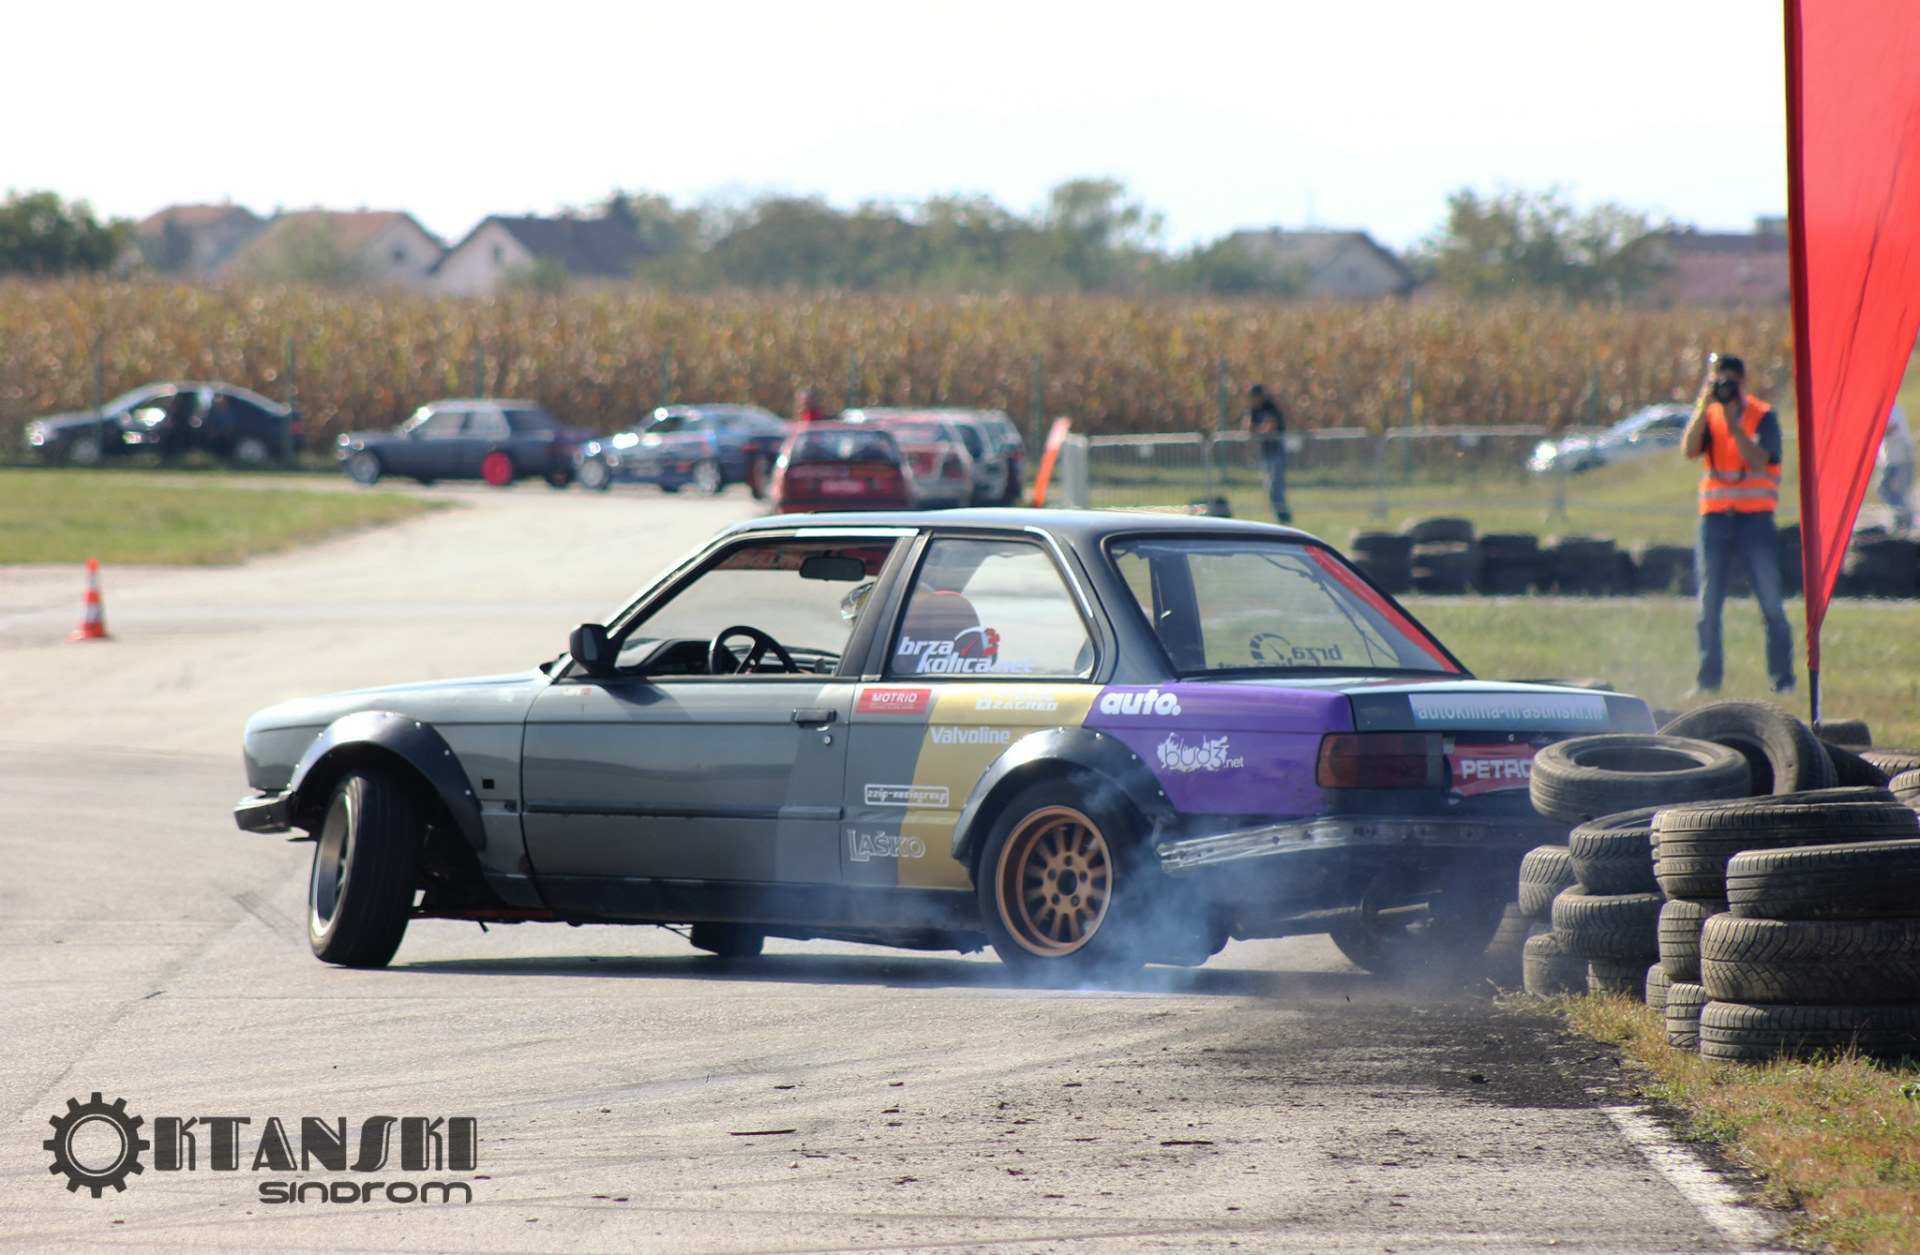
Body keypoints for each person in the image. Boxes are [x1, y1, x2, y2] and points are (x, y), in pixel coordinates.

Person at [1681, 354, 1793, 696]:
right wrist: (1703, 406)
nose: (1724, 389)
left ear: (1743, 383)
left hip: (1755, 519)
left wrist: (1733, 425)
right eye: (1718, 382)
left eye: (1729, 382)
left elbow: (1760, 460)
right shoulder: (1708, 414)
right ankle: (1707, 680)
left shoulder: (1763, 416)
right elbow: (1689, 450)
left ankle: (1782, 680)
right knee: (1708, 605)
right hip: (1715, 518)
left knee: (1770, 602)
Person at [1243, 384, 1291, 524]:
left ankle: (1283, 516)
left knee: (1276, 486)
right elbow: (1248, 428)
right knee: (1269, 487)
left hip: (1277, 451)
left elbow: (1271, 427)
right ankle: (1280, 515)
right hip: (1265, 453)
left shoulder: (1271, 407)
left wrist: (1259, 431)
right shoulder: (1254, 410)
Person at [1877, 402, 1913, 532]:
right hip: (1890, 458)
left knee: (1900, 489)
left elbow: (1893, 428)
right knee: (1883, 487)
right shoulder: (1884, 411)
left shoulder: (1894, 411)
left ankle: (1903, 516)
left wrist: (1877, 430)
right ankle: (1901, 513)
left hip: (1903, 457)